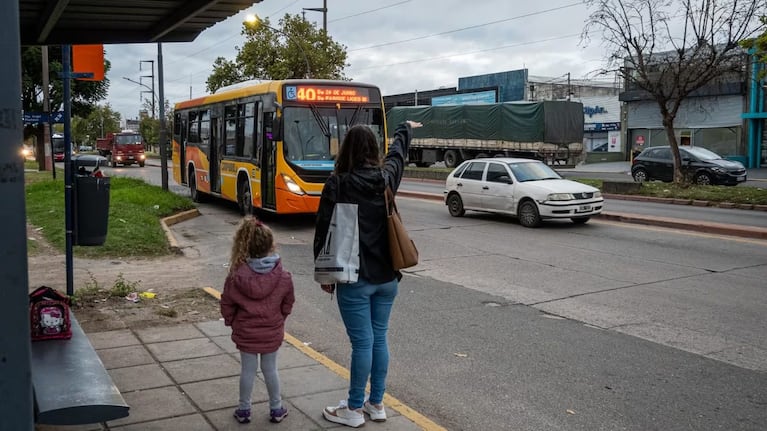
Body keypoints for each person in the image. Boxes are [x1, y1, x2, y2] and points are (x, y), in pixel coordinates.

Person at [313, 120, 422, 428]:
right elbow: (397, 156)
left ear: (346, 149)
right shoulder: (386, 179)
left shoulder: (337, 183)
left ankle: (353, 409)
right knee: (379, 338)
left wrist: (325, 276)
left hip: (354, 279)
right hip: (388, 278)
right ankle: (377, 404)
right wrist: (404, 129)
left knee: (362, 343)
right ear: (373, 151)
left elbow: (323, 230)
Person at [220, 216, 295, 425]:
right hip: (272, 330)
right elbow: (288, 302)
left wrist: (232, 322)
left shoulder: (236, 276)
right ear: (271, 245)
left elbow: (227, 304)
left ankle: (244, 410)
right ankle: (276, 408)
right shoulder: (284, 277)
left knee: (247, 370)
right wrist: (280, 318)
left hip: (246, 331)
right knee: (271, 369)